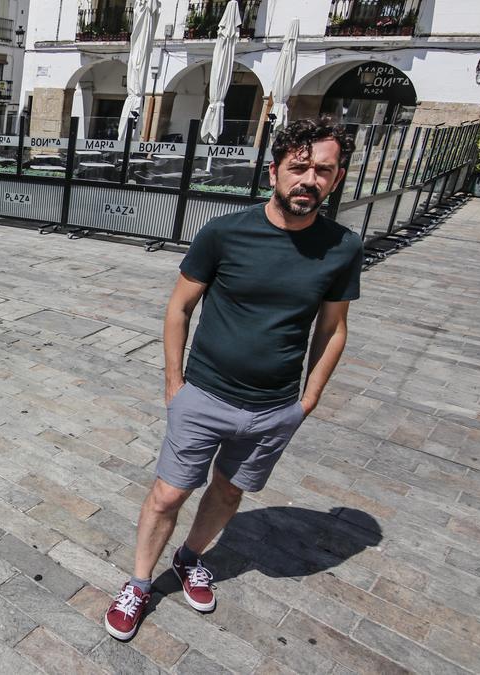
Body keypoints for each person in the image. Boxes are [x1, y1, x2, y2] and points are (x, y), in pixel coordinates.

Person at [104, 117, 362, 641]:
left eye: (323, 171)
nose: (308, 179)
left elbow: (333, 329)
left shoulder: (342, 247)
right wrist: (175, 385)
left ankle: (189, 557)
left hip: (273, 408)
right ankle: (137, 582)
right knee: (167, 495)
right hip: (203, 394)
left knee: (227, 492)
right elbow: (179, 308)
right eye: (299, 167)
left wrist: (306, 400)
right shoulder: (224, 232)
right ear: (274, 172)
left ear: (336, 180)